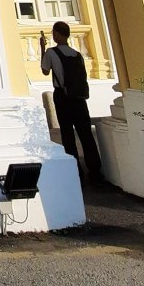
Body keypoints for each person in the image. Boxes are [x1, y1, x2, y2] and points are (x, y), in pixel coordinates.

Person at [41, 21, 104, 184]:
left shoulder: (51, 52)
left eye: (54, 32)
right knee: (86, 134)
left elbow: (45, 70)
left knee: (68, 135)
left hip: (62, 96)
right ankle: (96, 172)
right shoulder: (77, 54)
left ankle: (76, 172)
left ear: (57, 34)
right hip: (79, 97)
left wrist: (42, 47)